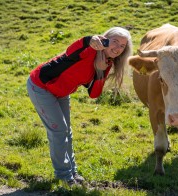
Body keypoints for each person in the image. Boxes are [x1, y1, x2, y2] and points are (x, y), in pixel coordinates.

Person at [26, 27, 132, 186]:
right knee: (59, 130)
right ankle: (64, 176)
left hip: (61, 92)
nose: (117, 48)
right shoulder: (89, 49)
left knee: (66, 131)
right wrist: (90, 39)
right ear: (105, 39)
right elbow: (72, 50)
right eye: (115, 42)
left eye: (122, 46)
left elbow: (94, 94)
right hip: (41, 86)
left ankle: (72, 172)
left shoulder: (106, 62)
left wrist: (100, 72)